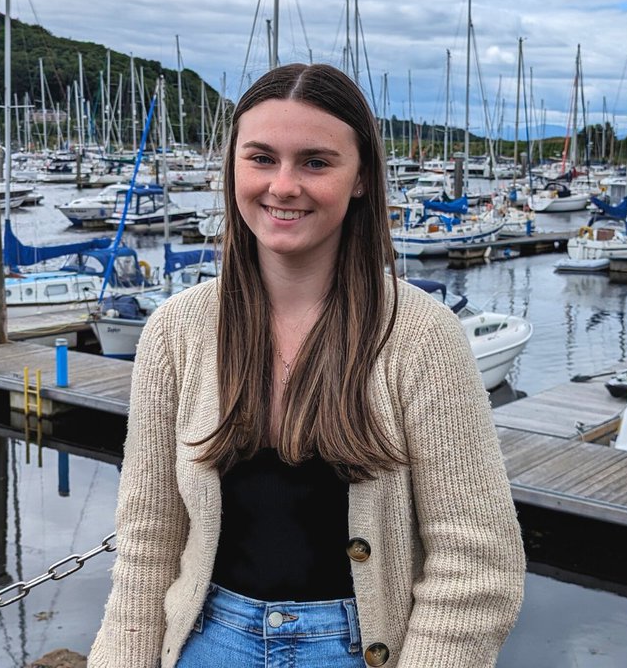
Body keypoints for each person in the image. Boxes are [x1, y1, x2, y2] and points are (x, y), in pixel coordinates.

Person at [89, 63, 525, 668]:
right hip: (205, 642)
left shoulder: (422, 337)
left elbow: (478, 567)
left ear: (361, 179)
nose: (284, 185)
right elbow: (148, 544)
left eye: (315, 162)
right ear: (232, 168)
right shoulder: (176, 332)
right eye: (261, 158)